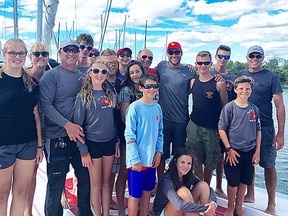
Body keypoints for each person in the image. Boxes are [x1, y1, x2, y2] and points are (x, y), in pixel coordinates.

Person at [40, 38, 92, 216]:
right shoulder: (51, 75)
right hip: (57, 138)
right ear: (60, 52)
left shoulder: (84, 76)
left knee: (85, 179)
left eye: (74, 50)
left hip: (80, 138)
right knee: (55, 183)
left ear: (79, 53)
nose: (71, 53)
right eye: (67, 50)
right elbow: (45, 105)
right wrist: (67, 125)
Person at [238, 45, 285, 215]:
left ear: (262, 58)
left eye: (258, 56)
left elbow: (279, 105)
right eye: (252, 55)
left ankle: (271, 204)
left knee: (268, 164)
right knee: (247, 161)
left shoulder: (271, 77)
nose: (255, 59)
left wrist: (280, 133)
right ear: (247, 57)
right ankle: (249, 194)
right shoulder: (241, 75)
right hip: (244, 127)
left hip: (265, 127)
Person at [0, 38, 43, 216]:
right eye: (13, 53)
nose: (17, 57)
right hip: (3, 145)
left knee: (22, 192)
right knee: (2, 195)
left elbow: (36, 116)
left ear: (26, 56)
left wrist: (39, 146)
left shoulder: (32, 83)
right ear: (5, 55)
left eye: (21, 53)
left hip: (28, 144)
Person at [73, 58, 120, 216]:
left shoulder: (111, 93)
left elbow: (114, 120)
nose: (100, 74)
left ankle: (105, 213)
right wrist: (83, 151)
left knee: (107, 183)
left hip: (109, 143)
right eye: (96, 71)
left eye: (104, 71)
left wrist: (117, 142)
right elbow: (78, 126)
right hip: (92, 144)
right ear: (90, 73)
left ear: (107, 75)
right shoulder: (83, 96)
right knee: (96, 183)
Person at [219, 75, 261, 216]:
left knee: (244, 181)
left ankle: (239, 208)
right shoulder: (229, 108)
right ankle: (230, 207)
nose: (244, 91)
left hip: (249, 151)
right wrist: (228, 149)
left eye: (247, 89)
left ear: (251, 91)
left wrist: (257, 152)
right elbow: (222, 129)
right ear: (236, 89)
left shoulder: (254, 109)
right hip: (233, 152)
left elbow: (258, 131)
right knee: (233, 182)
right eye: (241, 88)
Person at [186, 51, 228, 185]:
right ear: (196, 64)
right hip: (194, 125)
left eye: (206, 63)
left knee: (210, 162)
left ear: (211, 63)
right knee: (196, 160)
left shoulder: (219, 83)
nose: (203, 66)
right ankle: (200, 185)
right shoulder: (192, 82)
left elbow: (225, 107)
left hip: (212, 128)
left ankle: (207, 187)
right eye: (200, 63)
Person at [155, 42, 196, 179]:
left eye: (176, 52)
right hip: (164, 120)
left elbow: (203, 81)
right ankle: (160, 182)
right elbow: (145, 74)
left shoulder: (189, 71)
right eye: (171, 52)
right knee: (161, 154)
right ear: (167, 54)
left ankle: (177, 182)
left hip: (181, 121)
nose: (174, 55)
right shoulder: (161, 66)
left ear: (181, 53)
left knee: (180, 157)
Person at [125, 74, 163, 216]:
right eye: (148, 86)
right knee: (135, 195)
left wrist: (158, 152)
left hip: (151, 160)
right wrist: (135, 159)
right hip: (137, 160)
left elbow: (160, 133)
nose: (152, 89)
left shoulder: (157, 108)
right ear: (141, 88)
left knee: (147, 192)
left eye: (155, 86)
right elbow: (129, 135)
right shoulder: (134, 108)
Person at [116, 60, 146, 216]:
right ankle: (122, 208)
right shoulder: (125, 90)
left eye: (138, 71)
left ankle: (141, 204)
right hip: (129, 137)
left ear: (142, 72)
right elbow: (124, 117)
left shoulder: (148, 88)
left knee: (141, 171)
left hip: (146, 139)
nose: (135, 75)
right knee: (124, 172)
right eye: (132, 72)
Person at [153, 148, 217, 216]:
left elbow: (209, 189)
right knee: (184, 192)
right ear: (175, 161)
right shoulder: (167, 179)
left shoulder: (188, 175)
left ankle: (208, 213)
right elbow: (179, 206)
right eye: (182, 162)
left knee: (203, 185)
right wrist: (205, 208)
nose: (186, 166)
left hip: (182, 210)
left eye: (189, 163)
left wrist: (212, 204)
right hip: (165, 212)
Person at [24, 42, 49, 216]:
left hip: (52, 128)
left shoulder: (51, 76)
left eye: (44, 53)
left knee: (56, 169)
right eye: (37, 53)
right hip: (30, 129)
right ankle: (28, 211)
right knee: (30, 174)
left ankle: (62, 196)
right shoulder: (23, 76)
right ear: (30, 56)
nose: (41, 56)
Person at [210, 45, 236, 199]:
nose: (223, 59)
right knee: (201, 154)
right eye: (220, 56)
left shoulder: (233, 78)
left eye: (226, 57)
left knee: (222, 155)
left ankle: (219, 186)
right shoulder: (206, 70)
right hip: (207, 120)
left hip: (226, 122)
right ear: (215, 56)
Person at [101, 48, 123, 210]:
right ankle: (98, 202)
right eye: (107, 63)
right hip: (101, 133)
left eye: (113, 62)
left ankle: (107, 200)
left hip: (118, 132)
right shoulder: (98, 82)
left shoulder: (121, 82)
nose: (110, 66)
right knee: (98, 174)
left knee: (111, 172)